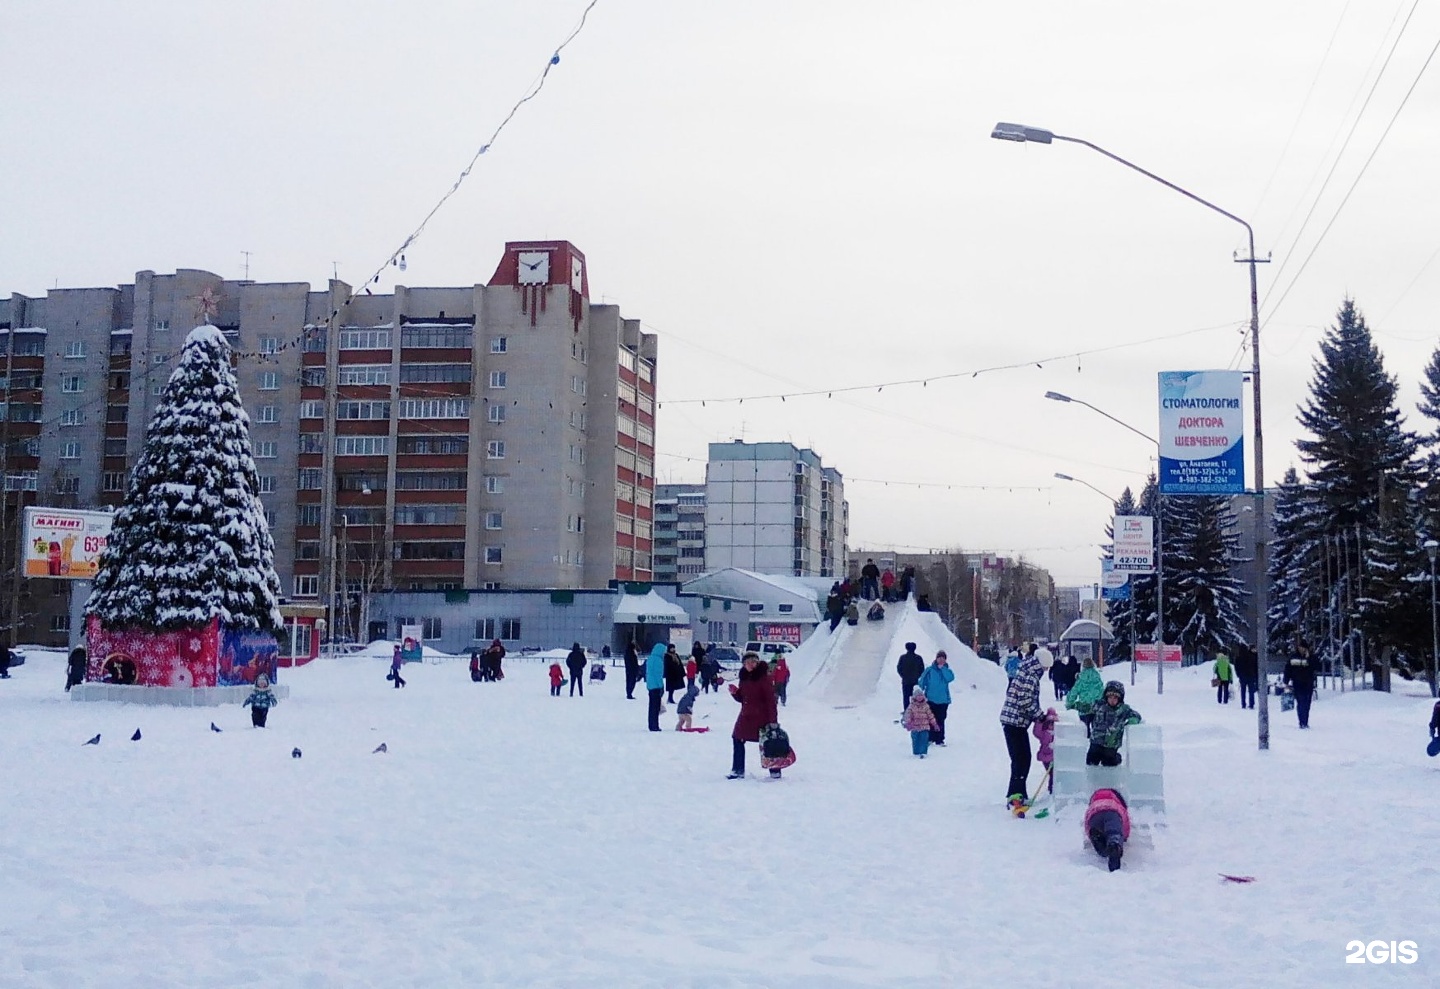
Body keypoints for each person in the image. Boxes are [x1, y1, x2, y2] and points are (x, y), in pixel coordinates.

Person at [999, 646, 1052, 803]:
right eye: (1047, 668)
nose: (1046, 671)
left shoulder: (1026, 670)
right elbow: (1025, 700)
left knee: (1020, 758)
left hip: (1014, 721)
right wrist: (1040, 716)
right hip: (1015, 721)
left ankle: (1017, 792)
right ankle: (1015, 794)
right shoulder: (1031, 676)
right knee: (1021, 758)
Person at [727, 653, 778, 779]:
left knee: (769, 742)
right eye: (747, 662)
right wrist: (735, 693)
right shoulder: (744, 678)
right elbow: (743, 698)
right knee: (737, 738)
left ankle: (775, 770)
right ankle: (738, 770)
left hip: (762, 717)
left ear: (757, 663)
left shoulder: (764, 678)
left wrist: (773, 721)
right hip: (746, 716)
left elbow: (771, 701)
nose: (750, 665)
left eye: (753, 662)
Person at [1087, 681, 1141, 766]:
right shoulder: (1099, 706)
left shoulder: (1123, 709)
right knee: (1091, 760)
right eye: (1110, 697)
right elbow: (1086, 708)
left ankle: (1117, 758)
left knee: (1109, 762)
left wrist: (1132, 720)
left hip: (1112, 743)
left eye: (1115, 698)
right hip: (1096, 740)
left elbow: (1136, 715)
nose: (1112, 700)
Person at [1084, 787, 1131, 872]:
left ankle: (1100, 842)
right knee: (1114, 833)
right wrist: (1124, 837)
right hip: (1113, 813)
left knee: (1102, 846)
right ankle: (1114, 845)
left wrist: (1090, 833)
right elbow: (1126, 824)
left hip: (1094, 814)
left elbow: (1087, 823)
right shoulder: (1117, 804)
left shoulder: (1094, 803)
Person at [917, 650, 955, 745]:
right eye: (939, 658)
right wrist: (919, 692)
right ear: (936, 658)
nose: (941, 660)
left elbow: (950, 678)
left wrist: (943, 669)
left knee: (941, 719)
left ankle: (939, 739)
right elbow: (922, 681)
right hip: (930, 699)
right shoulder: (929, 670)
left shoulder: (947, 670)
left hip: (943, 700)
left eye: (943, 658)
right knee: (931, 719)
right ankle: (930, 737)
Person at [1065, 655, 1105, 735]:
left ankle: (1086, 741)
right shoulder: (1097, 677)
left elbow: (1074, 692)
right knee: (1096, 730)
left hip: (1084, 708)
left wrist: (1069, 703)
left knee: (1084, 730)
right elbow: (1102, 691)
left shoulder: (1081, 678)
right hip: (1096, 707)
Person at [1283, 640, 1318, 729]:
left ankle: (1305, 721)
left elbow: (1316, 667)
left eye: (1303, 647)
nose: (1301, 649)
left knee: (1307, 703)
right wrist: (1286, 681)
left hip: (1308, 683)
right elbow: (1288, 669)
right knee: (1301, 702)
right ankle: (1301, 722)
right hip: (1297, 683)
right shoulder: (1293, 657)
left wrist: (1309, 658)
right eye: (1300, 647)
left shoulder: (1311, 657)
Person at [902, 686, 939, 757]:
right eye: (918, 696)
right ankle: (916, 752)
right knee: (915, 740)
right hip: (915, 727)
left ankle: (923, 752)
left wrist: (934, 724)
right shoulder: (911, 706)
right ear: (915, 697)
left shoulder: (926, 706)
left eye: (921, 696)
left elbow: (930, 715)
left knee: (924, 740)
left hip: (924, 726)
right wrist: (908, 721)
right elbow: (908, 714)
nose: (920, 697)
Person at [1032, 707, 1057, 793]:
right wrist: (1039, 721)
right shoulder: (1044, 733)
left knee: (1055, 775)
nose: (1052, 726)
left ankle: (1053, 790)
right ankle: (1051, 790)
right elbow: (1036, 732)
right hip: (1046, 757)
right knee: (1052, 774)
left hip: (1056, 758)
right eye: (1050, 723)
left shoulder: (1058, 734)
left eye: (1054, 723)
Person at [896, 642, 925, 714]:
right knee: (915, 696)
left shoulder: (903, 657)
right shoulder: (918, 658)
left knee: (906, 697)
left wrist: (903, 676)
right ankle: (915, 710)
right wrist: (917, 676)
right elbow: (922, 669)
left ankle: (907, 711)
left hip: (905, 681)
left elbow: (899, 668)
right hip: (915, 681)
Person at [645, 642, 666, 732]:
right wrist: (661, 686)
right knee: (656, 707)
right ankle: (655, 726)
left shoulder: (650, 659)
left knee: (651, 707)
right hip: (656, 686)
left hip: (650, 685)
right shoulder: (659, 661)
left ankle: (651, 724)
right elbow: (658, 675)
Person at [1233, 641, 1260, 709]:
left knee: (1243, 690)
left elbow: (1236, 667)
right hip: (1251, 675)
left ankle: (1243, 704)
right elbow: (1255, 666)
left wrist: (1239, 675)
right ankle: (1251, 703)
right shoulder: (1251, 656)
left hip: (1242, 676)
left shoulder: (1238, 658)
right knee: (1251, 691)